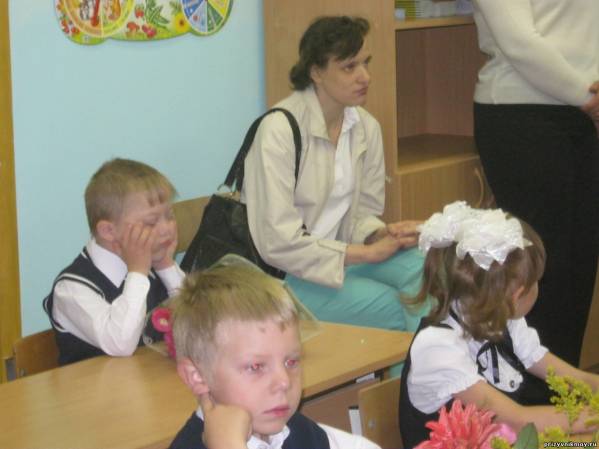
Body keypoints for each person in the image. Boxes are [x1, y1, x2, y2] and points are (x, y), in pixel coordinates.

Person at [242, 16, 428, 335]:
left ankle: (424, 365)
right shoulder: (278, 130)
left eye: (366, 63)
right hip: (284, 277)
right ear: (316, 72)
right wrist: (366, 253)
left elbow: (362, 215)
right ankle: (413, 367)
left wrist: (381, 235)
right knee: (398, 307)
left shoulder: (366, 127)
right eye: (349, 67)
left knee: (430, 272)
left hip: (342, 260)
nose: (365, 76)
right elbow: (278, 242)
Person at [398, 202, 599, 448]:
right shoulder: (438, 346)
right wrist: (592, 417)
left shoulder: (503, 320)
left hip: (508, 442)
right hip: (503, 437)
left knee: (588, 444)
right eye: (536, 281)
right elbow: (518, 421)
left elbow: (572, 378)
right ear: (517, 294)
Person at [471, 0, 599, 366]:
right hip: (521, 113)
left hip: (582, 113)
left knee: (580, 263)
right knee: (540, 266)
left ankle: (564, 386)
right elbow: (519, 42)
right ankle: (530, 388)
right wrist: (587, 97)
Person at [169, 260, 381, 449]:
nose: (284, 382)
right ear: (197, 376)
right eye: (256, 367)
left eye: (291, 362)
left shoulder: (295, 431)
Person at [43, 158, 184, 365]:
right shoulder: (71, 289)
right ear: (109, 231)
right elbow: (120, 344)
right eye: (151, 222)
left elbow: (200, 325)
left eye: (169, 215)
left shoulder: (154, 266)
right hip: (93, 385)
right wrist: (138, 272)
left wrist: (165, 265)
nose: (166, 229)